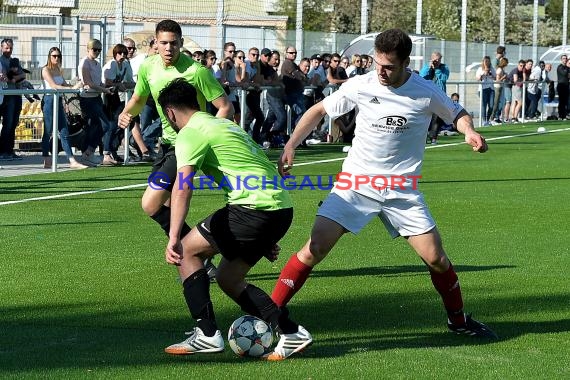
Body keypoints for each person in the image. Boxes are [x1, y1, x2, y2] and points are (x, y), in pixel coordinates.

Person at [270, 29, 497, 360]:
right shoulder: (362, 84)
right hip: (356, 183)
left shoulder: (424, 90)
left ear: (406, 63)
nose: (380, 70)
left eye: (388, 66)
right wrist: (291, 144)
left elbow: (457, 113)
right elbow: (319, 110)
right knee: (315, 247)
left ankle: (459, 320)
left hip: (402, 190)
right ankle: (268, 314)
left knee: (435, 258)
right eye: (377, 63)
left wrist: (469, 131)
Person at [155, 78, 308, 356]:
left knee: (187, 252)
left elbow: (183, 186)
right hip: (280, 208)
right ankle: (290, 331)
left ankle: (207, 333)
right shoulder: (225, 124)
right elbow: (259, 163)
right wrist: (264, 234)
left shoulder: (190, 133)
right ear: (197, 103)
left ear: (170, 113)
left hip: (252, 209)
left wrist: (174, 236)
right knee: (228, 278)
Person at [117, 19, 233, 277]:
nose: (169, 48)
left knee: (150, 203)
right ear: (155, 44)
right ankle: (199, 255)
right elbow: (139, 98)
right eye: (164, 43)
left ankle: (200, 251)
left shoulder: (196, 71)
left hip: (190, 145)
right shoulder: (148, 67)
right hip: (168, 144)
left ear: (181, 43)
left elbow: (225, 107)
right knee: (169, 208)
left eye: (174, 43)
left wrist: (206, 135)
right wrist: (127, 113)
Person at [41, 46, 88, 169]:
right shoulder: (45, 69)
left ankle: (72, 160)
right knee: (48, 131)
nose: (56, 58)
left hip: (58, 100)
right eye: (54, 56)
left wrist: (77, 84)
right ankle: (46, 158)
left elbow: (64, 85)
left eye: (58, 56)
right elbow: (53, 85)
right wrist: (71, 88)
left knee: (64, 131)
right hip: (49, 100)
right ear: (49, 57)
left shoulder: (58, 69)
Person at [77, 38, 117, 166]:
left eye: (99, 50)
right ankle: (88, 153)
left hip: (96, 97)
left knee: (94, 127)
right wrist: (104, 89)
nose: (97, 52)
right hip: (87, 98)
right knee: (104, 125)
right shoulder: (85, 63)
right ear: (88, 49)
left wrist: (106, 87)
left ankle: (87, 154)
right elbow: (88, 83)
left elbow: (97, 82)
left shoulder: (97, 63)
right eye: (95, 49)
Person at [0, 38, 25, 161]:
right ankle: (4, 151)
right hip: (7, 96)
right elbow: (4, 77)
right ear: (1, 48)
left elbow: (23, 75)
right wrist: (12, 77)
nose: (9, 50)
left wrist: (14, 78)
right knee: (8, 123)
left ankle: (10, 151)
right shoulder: (0, 61)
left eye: (10, 48)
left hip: (17, 94)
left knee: (14, 123)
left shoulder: (14, 61)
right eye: (6, 48)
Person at [420, 51, 449, 142]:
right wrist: (429, 67)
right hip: (427, 96)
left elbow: (443, 78)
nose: (437, 61)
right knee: (425, 118)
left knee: (437, 118)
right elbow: (422, 76)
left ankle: (433, 138)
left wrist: (437, 69)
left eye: (439, 60)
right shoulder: (426, 66)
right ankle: (423, 137)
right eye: (435, 60)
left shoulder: (444, 68)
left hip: (439, 96)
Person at [556, 55, 569, 120]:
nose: (565, 60)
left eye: (566, 58)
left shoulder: (567, 67)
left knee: (565, 101)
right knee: (561, 101)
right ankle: (560, 115)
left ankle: (564, 115)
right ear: (561, 59)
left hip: (566, 86)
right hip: (561, 86)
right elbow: (565, 74)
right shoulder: (560, 67)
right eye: (563, 58)